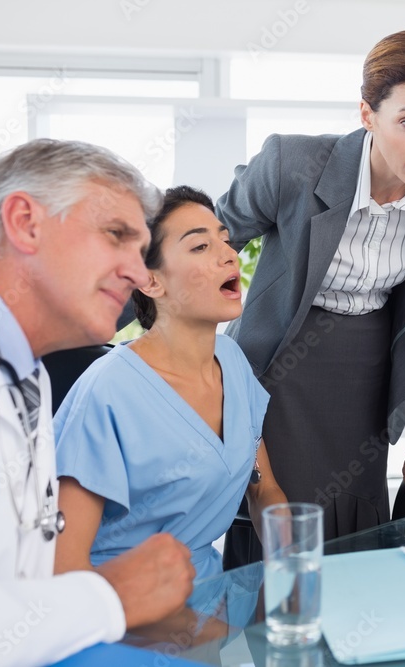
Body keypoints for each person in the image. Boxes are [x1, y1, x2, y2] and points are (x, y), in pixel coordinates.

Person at [215, 29, 405, 556]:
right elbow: (211, 237)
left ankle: (354, 627)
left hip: (369, 362)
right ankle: (273, 625)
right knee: (281, 512)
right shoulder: (294, 164)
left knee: (358, 505)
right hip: (281, 359)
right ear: (367, 115)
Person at [0, 139, 195, 667]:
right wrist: (107, 597)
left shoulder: (22, 363)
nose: (137, 272)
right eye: (116, 236)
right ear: (24, 222)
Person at [53, 186, 287, 584]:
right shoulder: (108, 392)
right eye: (199, 247)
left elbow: (264, 490)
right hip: (120, 613)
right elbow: (63, 567)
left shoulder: (232, 361)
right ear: (150, 281)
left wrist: (298, 570)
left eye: (225, 240)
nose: (229, 255)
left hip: (208, 599)